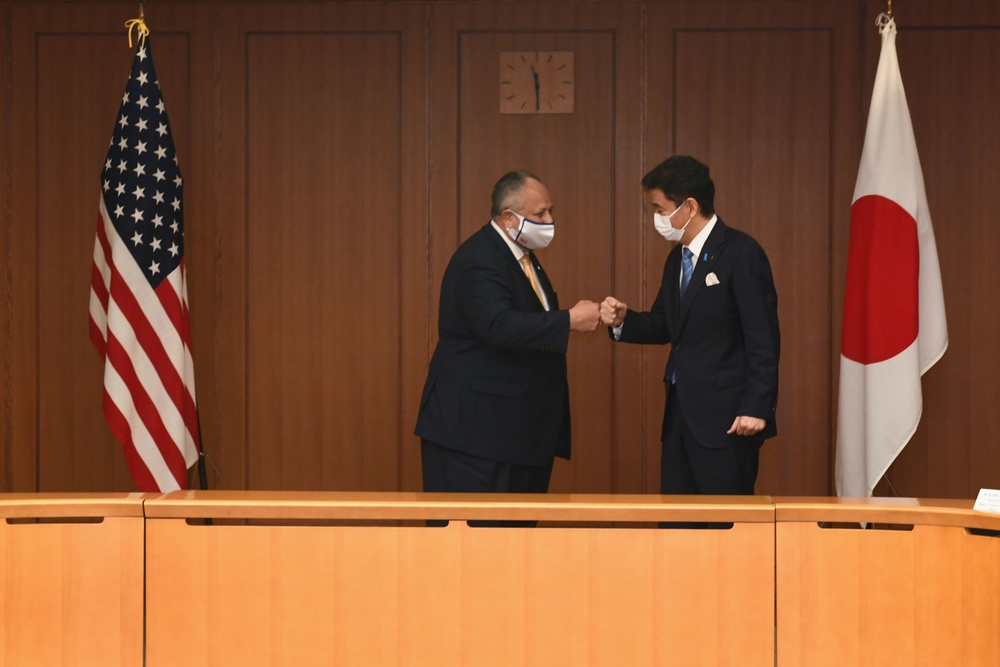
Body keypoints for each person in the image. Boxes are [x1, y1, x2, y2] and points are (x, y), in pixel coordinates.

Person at [415, 170, 601, 507]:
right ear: (508, 218)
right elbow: (498, 326)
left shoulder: (522, 259)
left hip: (516, 435)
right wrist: (569, 320)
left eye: (550, 211)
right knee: (475, 548)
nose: (549, 221)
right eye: (540, 214)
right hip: (476, 438)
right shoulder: (479, 259)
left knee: (517, 547)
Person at [601, 156, 779, 497]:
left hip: (729, 421)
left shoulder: (741, 253)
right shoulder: (676, 259)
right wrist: (625, 321)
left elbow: (763, 338)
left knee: (724, 530)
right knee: (678, 527)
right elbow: (666, 325)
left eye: (659, 208)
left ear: (690, 206)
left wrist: (756, 406)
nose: (656, 218)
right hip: (680, 418)